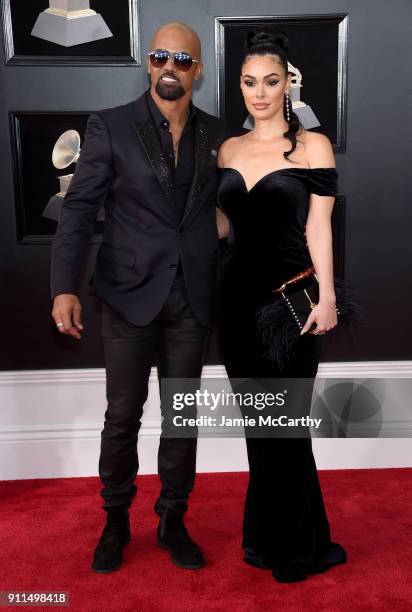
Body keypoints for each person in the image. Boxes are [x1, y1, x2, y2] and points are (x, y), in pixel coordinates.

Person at [50, 21, 230, 574]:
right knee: (122, 415)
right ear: (148, 63)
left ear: (197, 69)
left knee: (181, 418)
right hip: (127, 296)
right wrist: (63, 287)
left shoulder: (220, 134)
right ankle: (115, 522)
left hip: (192, 299)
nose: (168, 67)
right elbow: (79, 210)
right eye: (159, 56)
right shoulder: (111, 126)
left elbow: (232, 208)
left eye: (181, 58)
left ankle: (173, 520)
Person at [216, 30, 347, 583]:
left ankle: (298, 546)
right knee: (258, 427)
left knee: (284, 426)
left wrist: (329, 295)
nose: (259, 93)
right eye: (249, 83)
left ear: (288, 83)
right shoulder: (227, 149)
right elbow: (222, 227)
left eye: (271, 81)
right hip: (235, 303)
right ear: (240, 86)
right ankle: (269, 537)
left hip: (290, 301)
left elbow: (320, 225)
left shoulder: (313, 144)